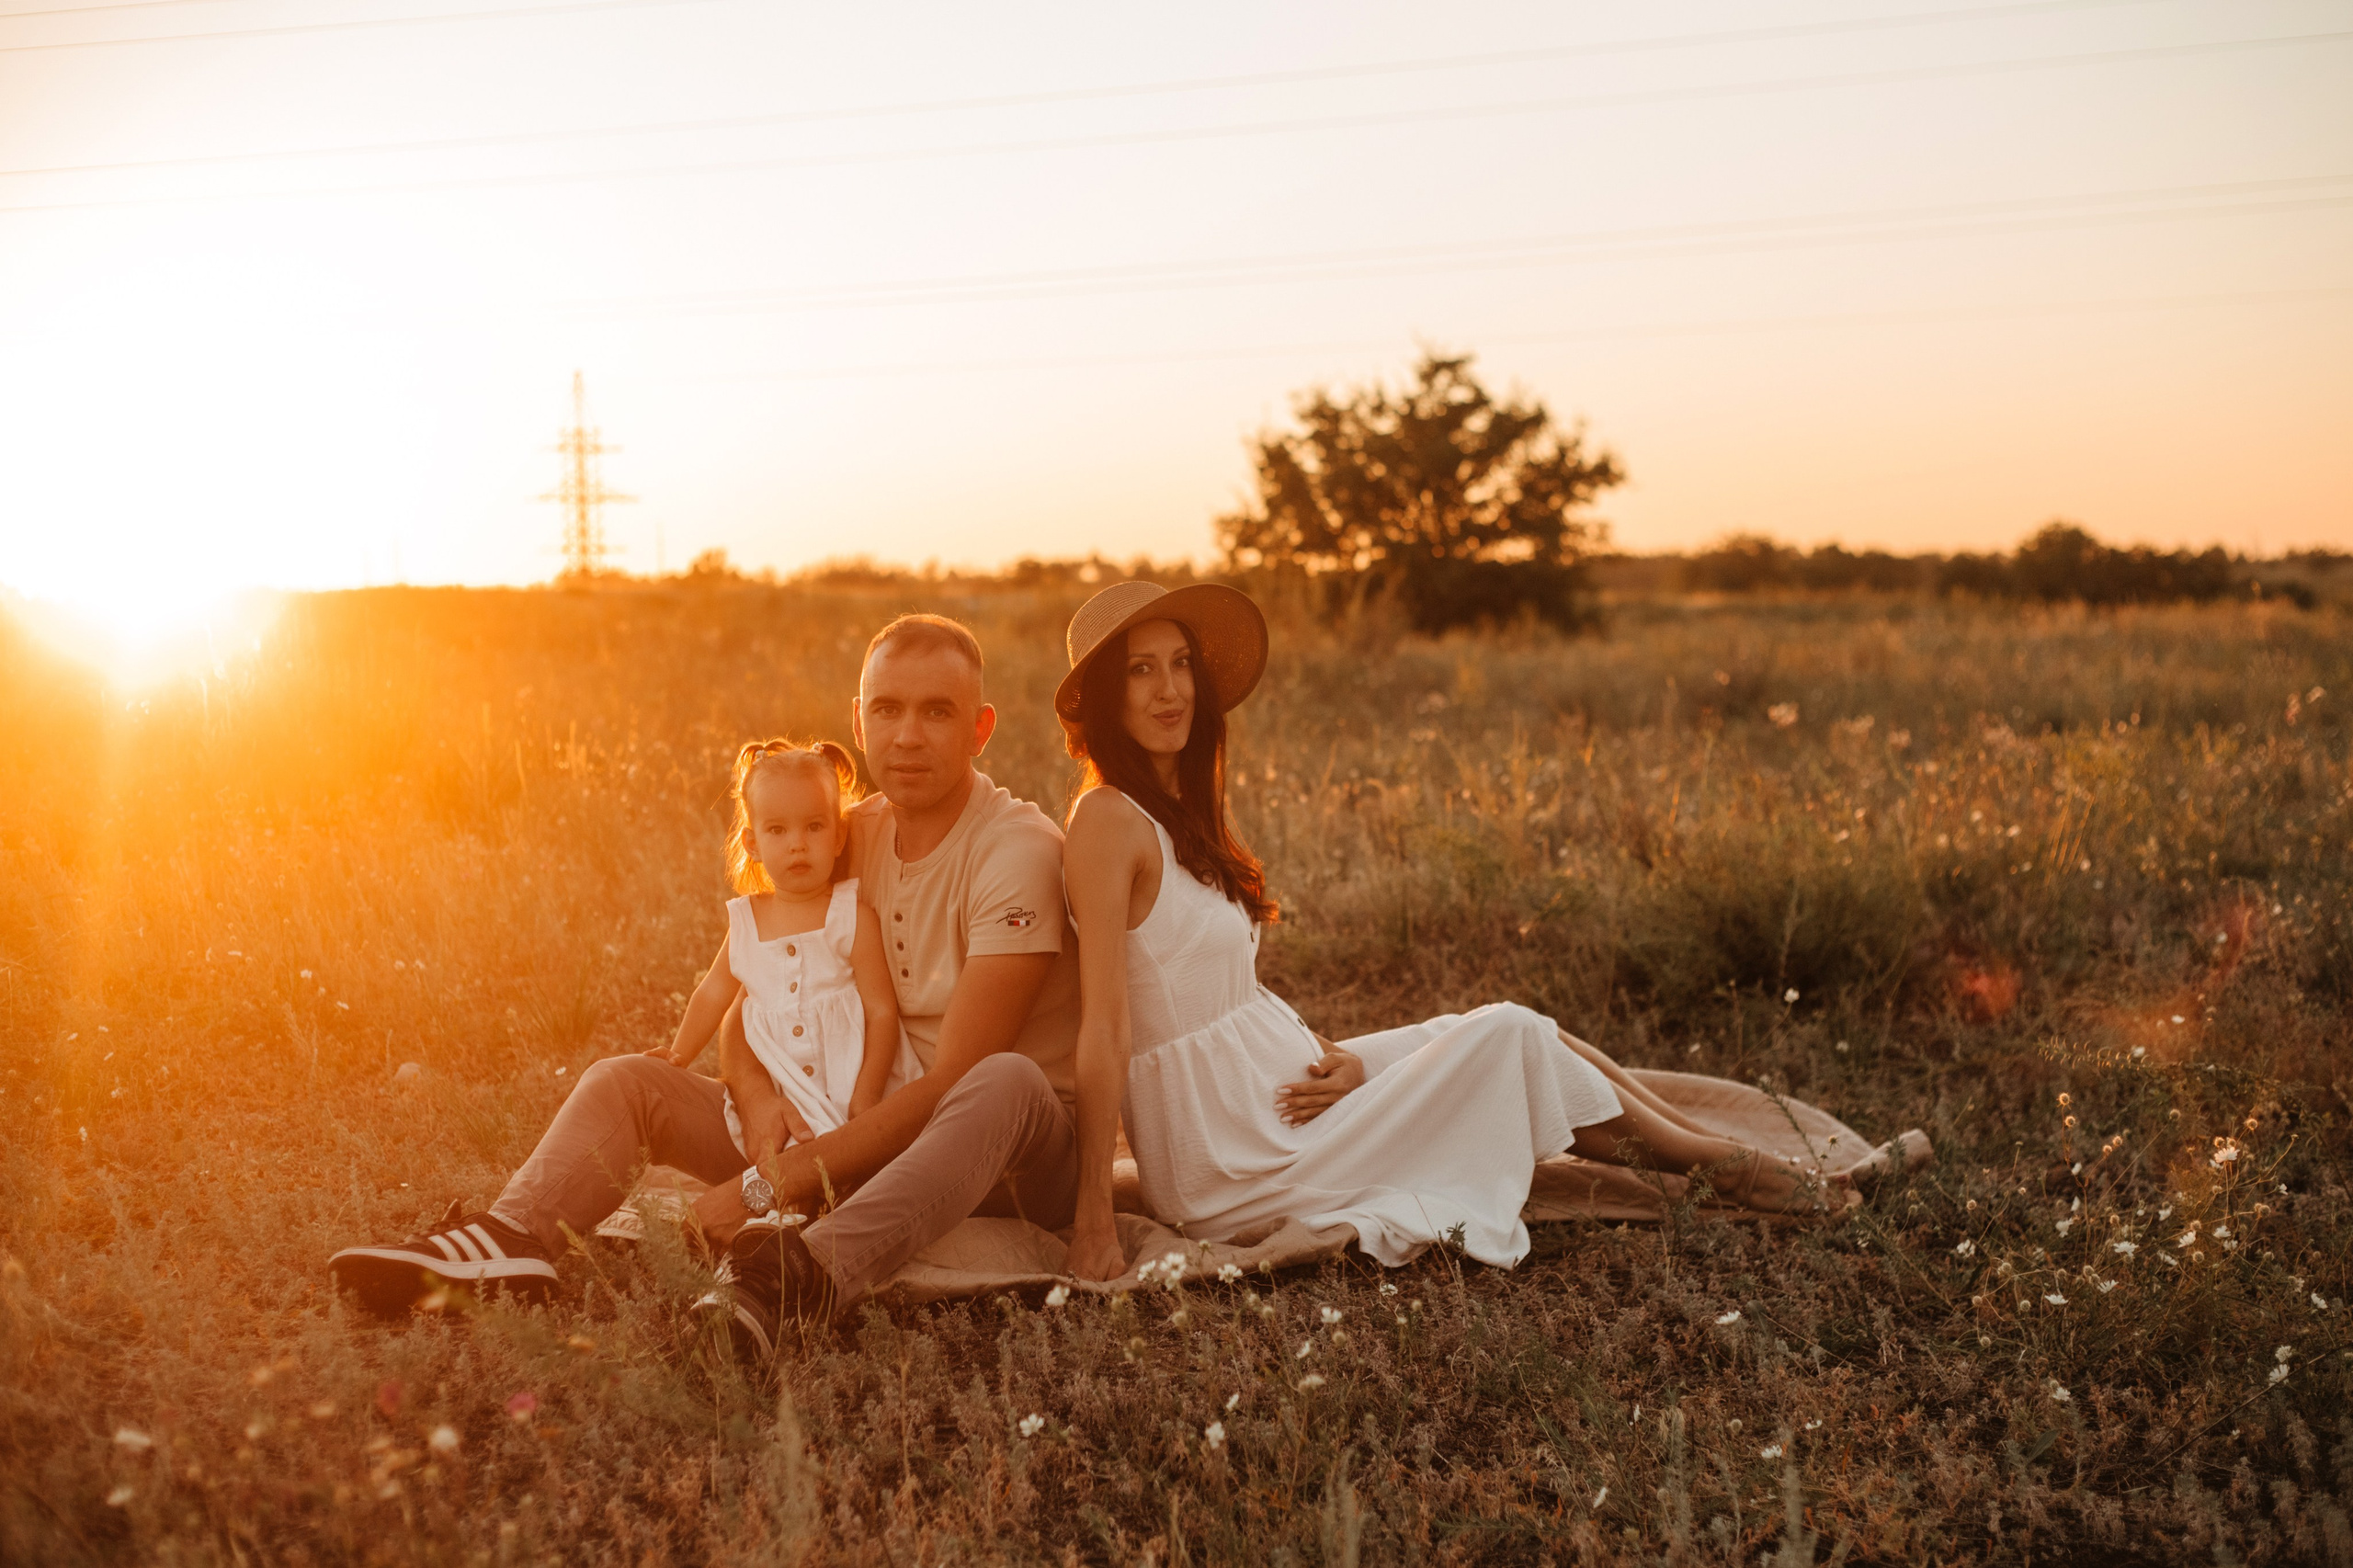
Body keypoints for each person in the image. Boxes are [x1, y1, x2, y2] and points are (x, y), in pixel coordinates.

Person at [330, 615, 1086, 1358]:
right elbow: (760, 978)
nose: (907, 735)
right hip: (841, 1128)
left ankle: (798, 1279)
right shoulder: (843, 831)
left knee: (1005, 1080)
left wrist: (771, 1185)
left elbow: (953, 1077)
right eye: (887, 709)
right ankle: (509, 1241)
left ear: (981, 728)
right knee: (632, 1082)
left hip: (995, 1154)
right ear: (859, 719)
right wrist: (758, 1107)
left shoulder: (1015, 851)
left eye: (937, 712)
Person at [1058, 581, 1854, 1284]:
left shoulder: (1180, 815)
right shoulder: (1105, 820)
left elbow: (1232, 1000)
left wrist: (1358, 1063)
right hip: (1234, 1155)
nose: (1170, 690)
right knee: (1508, 1035)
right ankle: (1728, 1169)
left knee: (1505, 1027)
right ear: (1106, 696)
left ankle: (1702, 1146)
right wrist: (1094, 1215)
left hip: (1289, 1098)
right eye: (1140, 669)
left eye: (1179, 663)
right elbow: (1105, 1026)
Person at [644, 738, 914, 1149]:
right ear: (753, 844)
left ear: (839, 836)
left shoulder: (852, 916)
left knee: (862, 1158)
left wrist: (867, 1093)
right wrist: (679, 1055)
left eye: (814, 826)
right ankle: (779, 1208)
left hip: (850, 1078)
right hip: (783, 1086)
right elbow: (714, 993)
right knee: (787, 1155)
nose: (797, 843)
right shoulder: (747, 922)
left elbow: (881, 1010)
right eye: (777, 829)